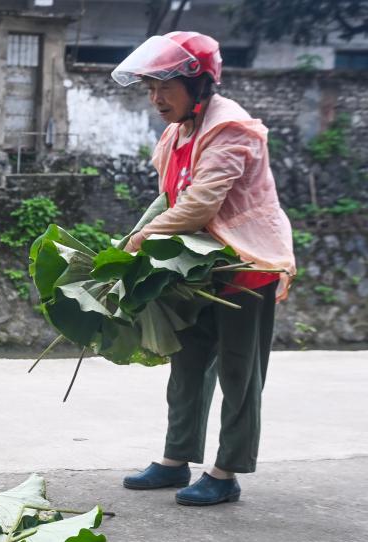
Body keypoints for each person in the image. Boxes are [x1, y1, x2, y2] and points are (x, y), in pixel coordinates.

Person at [112, 32, 296, 505]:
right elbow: (169, 198)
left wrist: (143, 239)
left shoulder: (231, 129)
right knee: (186, 363)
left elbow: (199, 205)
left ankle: (225, 471)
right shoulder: (178, 131)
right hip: (198, 269)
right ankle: (176, 460)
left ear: (200, 85)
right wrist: (130, 237)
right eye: (150, 88)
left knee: (239, 373)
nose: (156, 99)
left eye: (165, 87)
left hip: (246, 266)